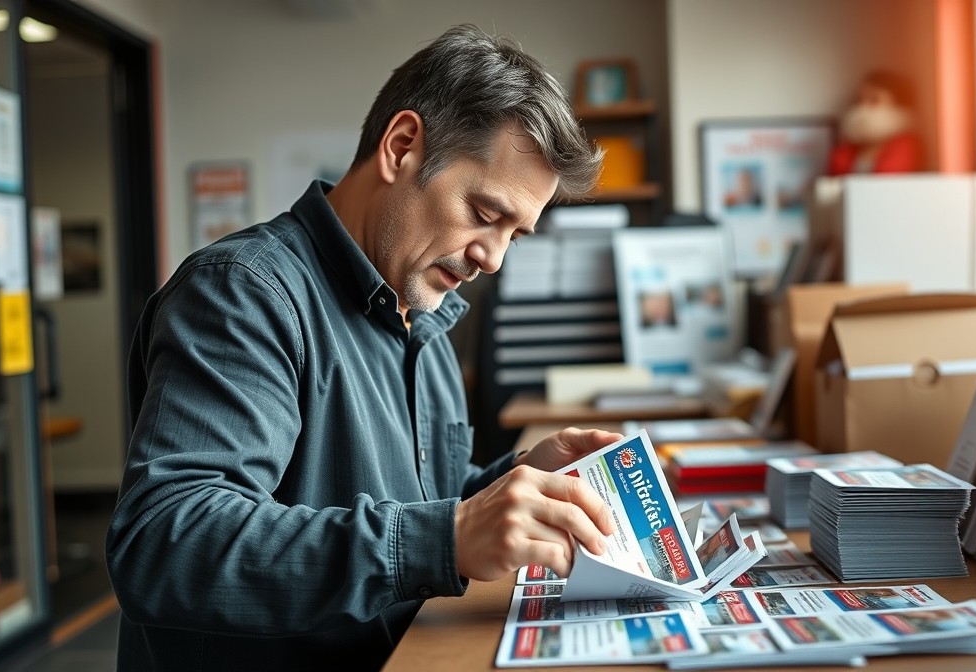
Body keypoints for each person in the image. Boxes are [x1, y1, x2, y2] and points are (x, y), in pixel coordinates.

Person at [106, 24, 624, 672]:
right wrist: (449, 538)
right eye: (486, 214)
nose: (491, 259)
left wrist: (518, 484)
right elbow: (165, 545)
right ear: (401, 147)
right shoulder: (243, 295)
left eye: (515, 236)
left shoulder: (421, 312)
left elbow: (405, 493)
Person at [827, 69, 922, 175]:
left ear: (897, 105)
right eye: (860, 100)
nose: (863, 107)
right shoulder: (849, 145)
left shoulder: (906, 145)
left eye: (874, 100)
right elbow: (836, 173)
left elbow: (889, 179)